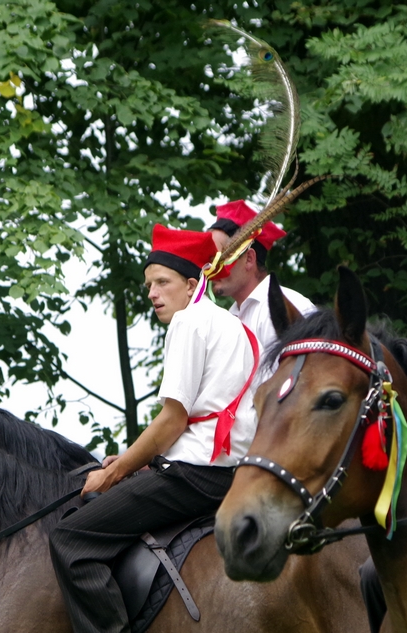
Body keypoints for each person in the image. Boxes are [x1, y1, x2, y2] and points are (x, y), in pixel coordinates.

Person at [49, 224, 259, 633]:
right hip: (235, 472)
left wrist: (115, 471)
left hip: (195, 475)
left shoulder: (188, 321)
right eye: (149, 285)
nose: (152, 293)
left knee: (70, 539)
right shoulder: (235, 325)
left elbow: (172, 420)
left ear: (192, 284)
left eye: (162, 282)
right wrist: (136, 460)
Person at [208, 200, 316, 369]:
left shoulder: (288, 305)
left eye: (219, 258)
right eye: (208, 260)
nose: (209, 268)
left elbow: (304, 375)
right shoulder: (229, 318)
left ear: (249, 259)